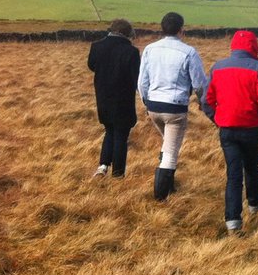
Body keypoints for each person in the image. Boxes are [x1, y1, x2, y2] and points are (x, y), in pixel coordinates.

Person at [204, 30, 258, 236]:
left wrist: (217, 119)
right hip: (251, 128)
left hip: (227, 129)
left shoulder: (217, 68)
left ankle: (233, 222)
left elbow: (206, 101)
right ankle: (255, 205)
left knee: (233, 175)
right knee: (252, 167)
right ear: (253, 47)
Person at [138, 11, 206, 200]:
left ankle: (170, 187)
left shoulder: (150, 49)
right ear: (181, 30)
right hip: (175, 108)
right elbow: (199, 83)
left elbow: (142, 81)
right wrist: (203, 102)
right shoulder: (189, 52)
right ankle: (160, 198)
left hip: (153, 106)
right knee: (170, 153)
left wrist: (146, 101)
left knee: (167, 145)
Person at [87, 18, 140, 178]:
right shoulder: (131, 51)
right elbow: (135, 77)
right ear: (126, 33)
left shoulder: (96, 47)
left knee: (109, 130)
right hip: (123, 99)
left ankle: (102, 166)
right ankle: (118, 173)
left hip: (103, 96)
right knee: (121, 135)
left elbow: (91, 65)